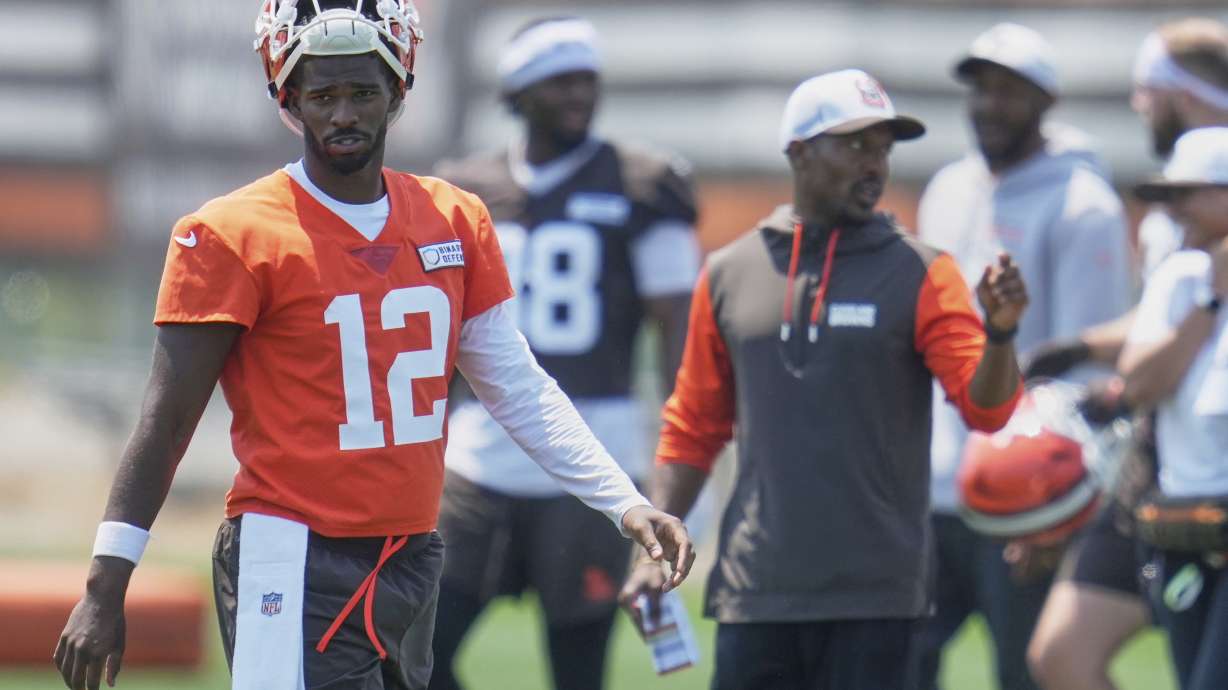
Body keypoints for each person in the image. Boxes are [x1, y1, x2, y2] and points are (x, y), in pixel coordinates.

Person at [51, 3, 694, 690]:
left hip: (412, 555)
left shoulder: (453, 216)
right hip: (292, 554)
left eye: (362, 92)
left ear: (398, 91)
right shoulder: (231, 232)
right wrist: (104, 582)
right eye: (322, 95)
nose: (344, 114)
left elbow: (516, 384)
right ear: (289, 99)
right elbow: (166, 421)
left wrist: (624, 503)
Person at [618, 68, 1030, 690]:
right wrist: (652, 544)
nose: (876, 164)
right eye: (856, 145)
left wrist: (999, 335)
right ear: (799, 153)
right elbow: (694, 426)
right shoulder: (730, 272)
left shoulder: (924, 273)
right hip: (756, 592)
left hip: (878, 600)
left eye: (884, 148)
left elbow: (988, 411)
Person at [425, 17, 700, 690]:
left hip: (592, 462)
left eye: (587, 80)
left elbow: (679, 334)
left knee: (578, 672)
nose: (579, 94)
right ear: (518, 91)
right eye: (560, 81)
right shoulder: (464, 189)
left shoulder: (644, 183)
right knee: (414, 657)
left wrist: (676, 463)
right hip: (477, 461)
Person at [912, 23, 1134, 690]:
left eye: (1008, 91)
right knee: (895, 663)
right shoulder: (949, 186)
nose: (988, 105)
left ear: (1046, 101)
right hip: (936, 486)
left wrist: (1054, 511)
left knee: (1026, 675)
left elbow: (1083, 366)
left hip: (1023, 497)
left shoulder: (1084, 204)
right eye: (980, 89)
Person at [1027, 19, 1228, 690]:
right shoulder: (1180, 228)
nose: (1139, 105)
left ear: (1184, 93)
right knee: (1062, 654)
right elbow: (1156, 331)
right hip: (1163, 463)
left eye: (1148, 91)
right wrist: (1079, 350)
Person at [1119, 126, 1228, 690]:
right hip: (1184, 530)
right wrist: (1210, 300)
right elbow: (1138, 383)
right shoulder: (1179, 279)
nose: (1175, 211)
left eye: (1190, 195)